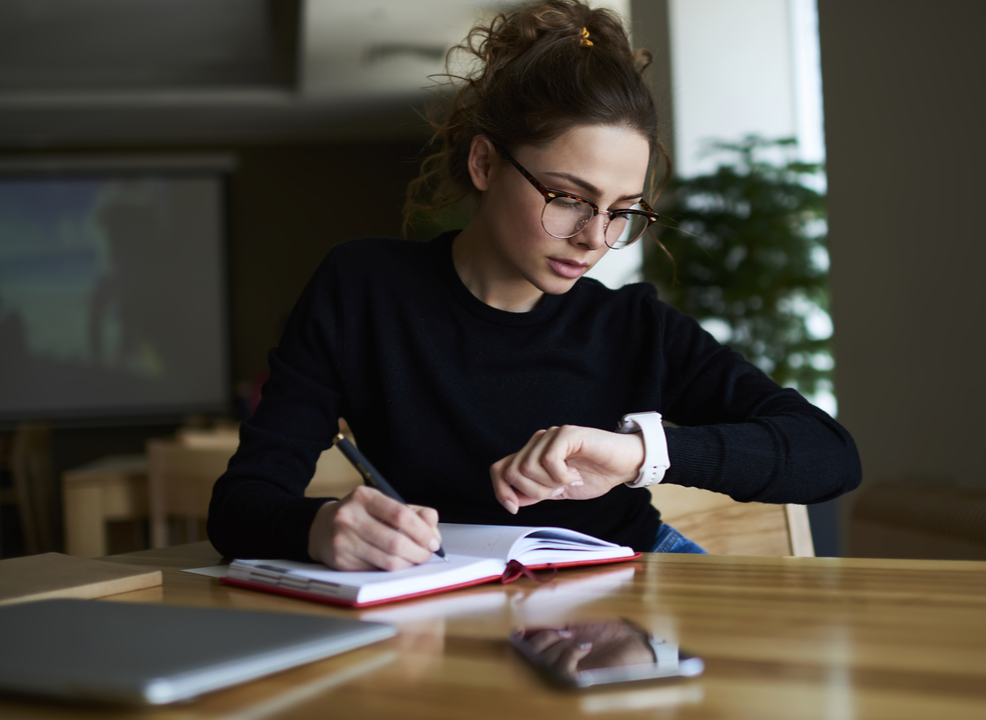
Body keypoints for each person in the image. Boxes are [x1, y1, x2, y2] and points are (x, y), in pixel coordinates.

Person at [207, 0, 860, 571]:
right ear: (485, 162)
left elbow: (829, 455)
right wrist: (321, 527)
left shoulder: (634, 326)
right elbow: (241, 506)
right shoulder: (361, 291)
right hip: (450, 591)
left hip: (633, 581)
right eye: (569, 198)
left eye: (622, 210)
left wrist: (639, 454)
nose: (596, 238)